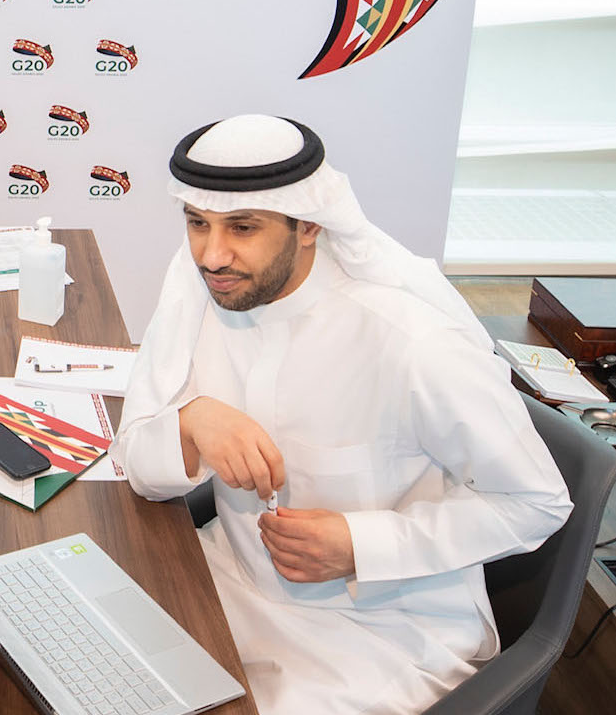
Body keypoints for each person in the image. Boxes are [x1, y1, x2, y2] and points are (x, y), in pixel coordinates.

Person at [114, 114, 571, 714]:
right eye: (197, 224)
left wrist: (361, 543)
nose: (212, 254)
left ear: (308, 225)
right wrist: (192, 422)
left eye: (242, 227)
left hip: (377, 632)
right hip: (228, 582)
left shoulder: (412, 342)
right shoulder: (204, 301)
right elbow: (140, 470)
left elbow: (538, 504)